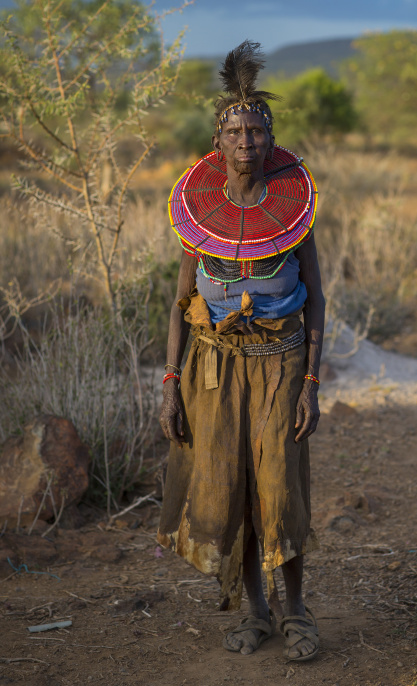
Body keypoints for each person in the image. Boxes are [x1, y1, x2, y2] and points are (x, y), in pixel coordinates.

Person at [158, 41, 325, 662]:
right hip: (211, 367)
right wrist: (170, 382)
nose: (247, 141)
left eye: (257, 130)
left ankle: (298, 612)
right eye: (235, 130)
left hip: (281, 362)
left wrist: (311, 382)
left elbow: (317, 302)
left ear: (271, 140)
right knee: (233, 489)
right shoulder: (196, 214)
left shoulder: (295, 209)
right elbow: (179, 304)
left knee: (279, 487)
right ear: (218, 142)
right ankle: (256, 611)